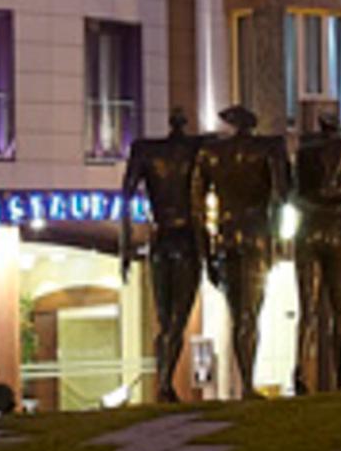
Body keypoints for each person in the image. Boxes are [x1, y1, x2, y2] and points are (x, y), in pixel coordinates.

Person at [198, 106, 290, 397]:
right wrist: (277, 239)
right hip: (255, 233)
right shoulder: (268, 148)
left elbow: (197, 209)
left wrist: (207, 253)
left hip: (226, 236)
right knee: (251, 313)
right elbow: (280, 196)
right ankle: (247, 382)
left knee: (238, 313)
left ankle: (245, 381)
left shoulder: (211, 153)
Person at [123, 107, 211, 401]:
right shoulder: (196, 149)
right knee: (177, 319)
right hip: (185, 241)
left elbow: (126, 195)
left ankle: (164, 382)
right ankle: (164, 383)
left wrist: (126, 246)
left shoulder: (147, 151)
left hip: (160, 241)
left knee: (165, 319)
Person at [287, 115, 341, 395]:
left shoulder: (303, 152)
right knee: (339, 307)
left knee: (307, 308)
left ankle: (299, 371)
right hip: (334, 230)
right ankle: (339, 377)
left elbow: (294, 193)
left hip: (307, 230)